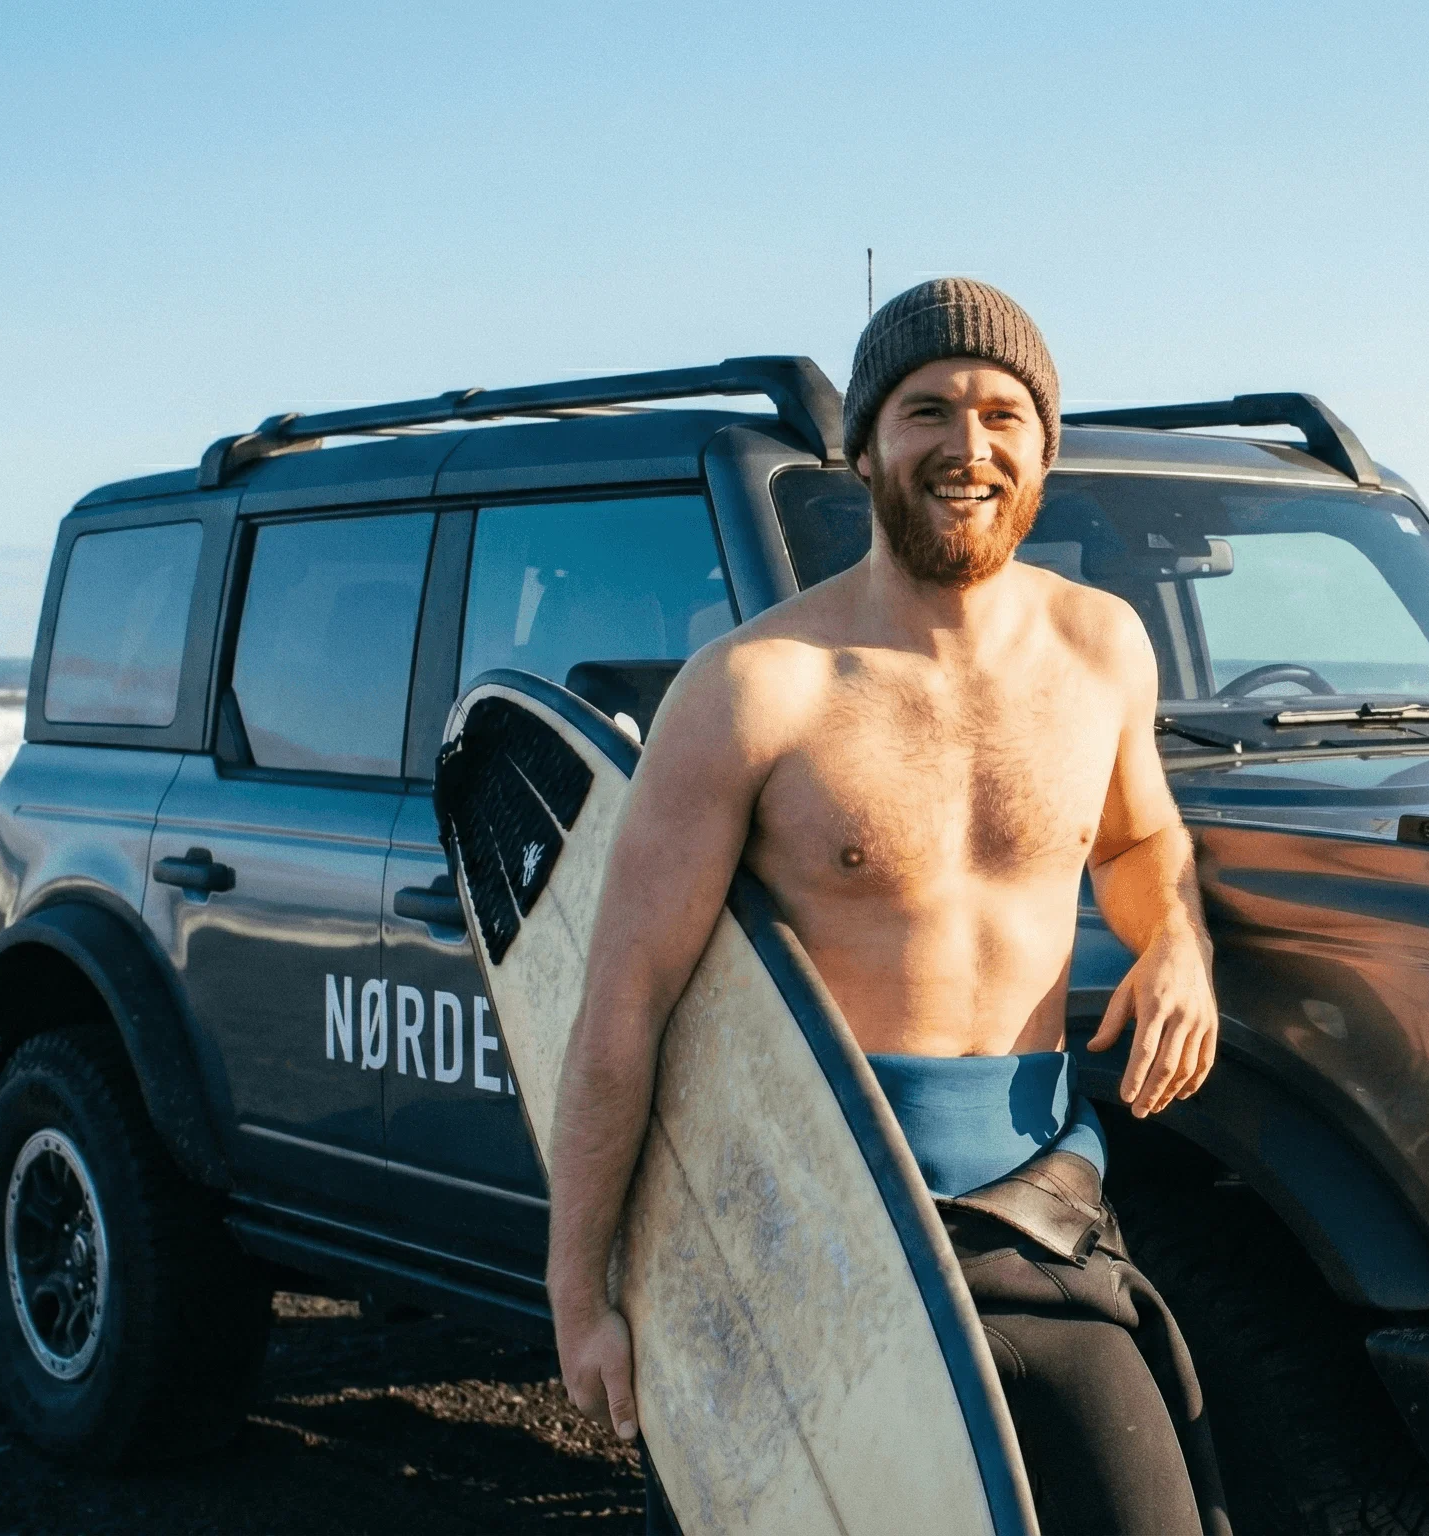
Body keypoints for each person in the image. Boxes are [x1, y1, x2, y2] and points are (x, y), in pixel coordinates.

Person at [543, 278, 1230, 1535]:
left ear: (1043, 448)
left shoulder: (1103, 649)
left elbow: (1137, 836)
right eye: (927, 411)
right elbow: (621, 1003)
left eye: (1002, 414)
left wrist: (1176, 940)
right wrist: (580, 1288)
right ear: (862, 444)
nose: (968, 448)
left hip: (1041, 1210)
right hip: (814, 1224)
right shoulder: (754, 690)